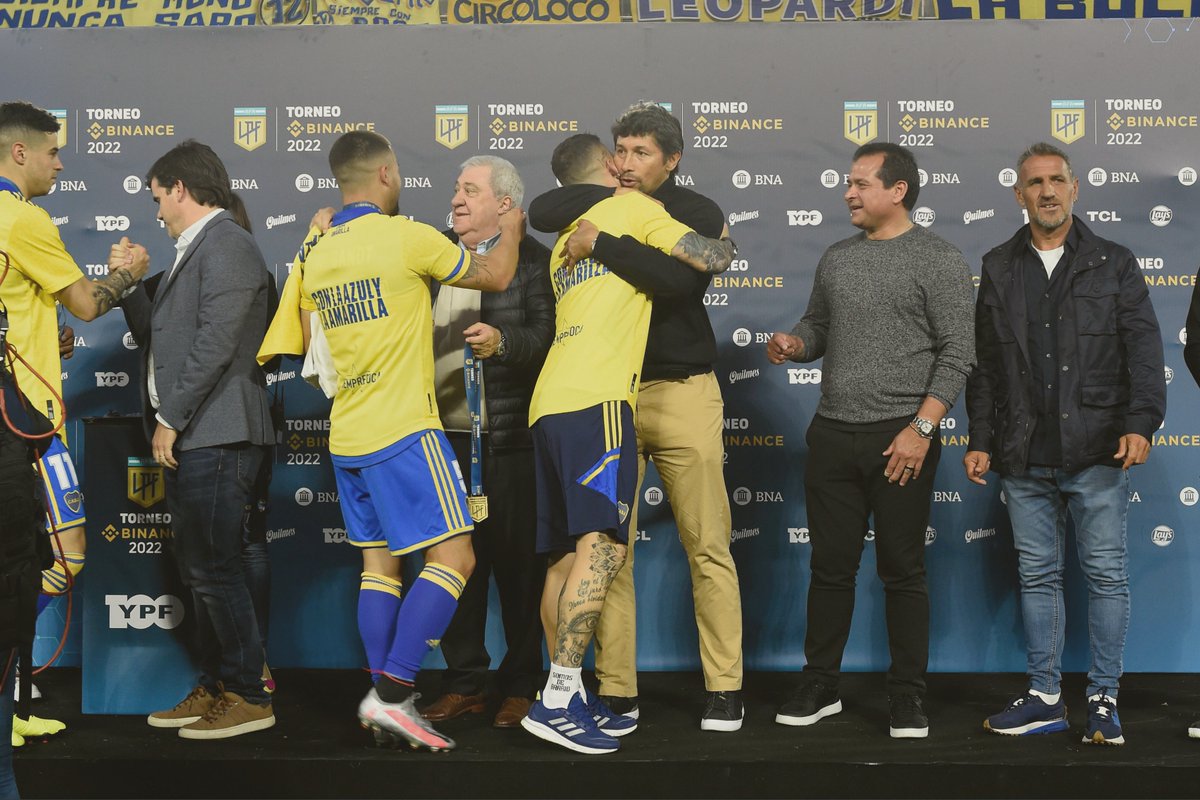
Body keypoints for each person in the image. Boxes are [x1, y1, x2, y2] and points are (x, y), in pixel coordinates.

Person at [264, 130, 521, 752]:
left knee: (379, 569)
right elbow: (498, 271)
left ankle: (377, 706)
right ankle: (394, 695)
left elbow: (308, 337)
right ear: (386, 173)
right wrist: (509, 220)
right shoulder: (407, 237)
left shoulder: (316, 249)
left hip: (346, 433)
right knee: (455, 558)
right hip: (405, 427)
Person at [527, 101, 744, 731]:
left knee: (708, 544)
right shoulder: (599, 200)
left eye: (640, 153)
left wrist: (608, 243)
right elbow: (541, 210)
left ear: (672, 160)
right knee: (609, 547)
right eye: (618, 151)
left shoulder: (695, 212)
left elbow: (680, 285)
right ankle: (617, 690)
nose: (625, 164)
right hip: (606, 397)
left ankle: (724, 686)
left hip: (680, 392)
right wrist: (602, 207)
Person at [766, 142, 974, 739]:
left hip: (901, 438)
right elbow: (821, 325)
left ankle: (907, 696)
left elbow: (959, 354)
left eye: (859, 183)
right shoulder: (836, 257)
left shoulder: (937, 258)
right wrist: (796, 344)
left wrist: (921, 428)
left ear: (898, 190)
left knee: (903, 571)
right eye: (848, 183)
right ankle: (820, 684)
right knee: (829, 570)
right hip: (832, 433)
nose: (848, 193)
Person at [965, 142, 1165, 746]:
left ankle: (1103, 699)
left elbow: (1145, 351)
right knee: (1038, 576)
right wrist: (980, 438)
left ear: (1074, 188)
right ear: (1018, 194)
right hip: (1023, 453)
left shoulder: (1114, 261)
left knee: (1105, 575)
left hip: (1099, 448)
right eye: (1034, 183)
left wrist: (1141, 422)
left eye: (1056, 180)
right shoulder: (998, 264)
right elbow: (986, 367)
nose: (1047, 191)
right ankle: (1046, 696)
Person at [0, 100, 149, 746]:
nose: (61, 164)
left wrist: (39, 343)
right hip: (22, 425)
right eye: (54, 152)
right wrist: (128, 275)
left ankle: (14, 694)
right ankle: (8, 702)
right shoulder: (23, 218)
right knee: (49, 560)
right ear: (19, 153)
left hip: (22, 409)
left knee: (35, 561)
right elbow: (88, 304)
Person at [120, 140, 276, 740]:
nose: (157, 211)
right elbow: (166, 334)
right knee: (203, 568)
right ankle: (218, 683)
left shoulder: (229, 244)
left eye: (159, 198)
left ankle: (248, 694)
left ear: (181, 189)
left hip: (220, 431)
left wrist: (172, 416)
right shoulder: (199, 249)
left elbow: (216, 342)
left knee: (215, 568)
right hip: (200, 434)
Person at [422, 156, 553, 729]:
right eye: (455, 189)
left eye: (470, 190)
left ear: (505, 204)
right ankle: (465, 683)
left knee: (522, 572)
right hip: (442, 443)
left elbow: (549, 339)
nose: (456, 199)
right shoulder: (431, 258)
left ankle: (523, 683)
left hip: (510, 443)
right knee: (455, 571)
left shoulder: (535, 263)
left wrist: (504, 342)